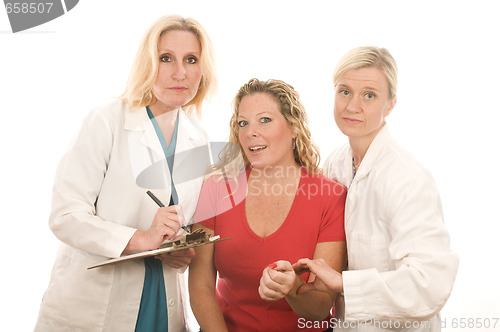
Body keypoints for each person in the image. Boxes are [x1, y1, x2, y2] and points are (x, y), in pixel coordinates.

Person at [34, 15, 217, 332]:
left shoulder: (197, 138)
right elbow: (65, 214)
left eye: (191, 59)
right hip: (93, 307)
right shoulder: (107, 121)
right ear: (148, 63)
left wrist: (181, 250)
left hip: (163, 303)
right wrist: (141, 239)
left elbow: (181, 222)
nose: (180, 73)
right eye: (165, 58)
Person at [293, 46, 459, 331]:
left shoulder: (408, 178)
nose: (352, 106)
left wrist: (343, 283)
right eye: (344, 91)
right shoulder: (335, 164)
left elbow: (429, 284)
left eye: (369, 95)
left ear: (391, 104)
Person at [188, 78, 347, 332]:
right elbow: (200, 285)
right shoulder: (217, 188)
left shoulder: (331, 197)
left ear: (294, 127)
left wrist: (292, 288)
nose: (251, 131)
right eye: (243, 123)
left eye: (265, 120)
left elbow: (319, 308)